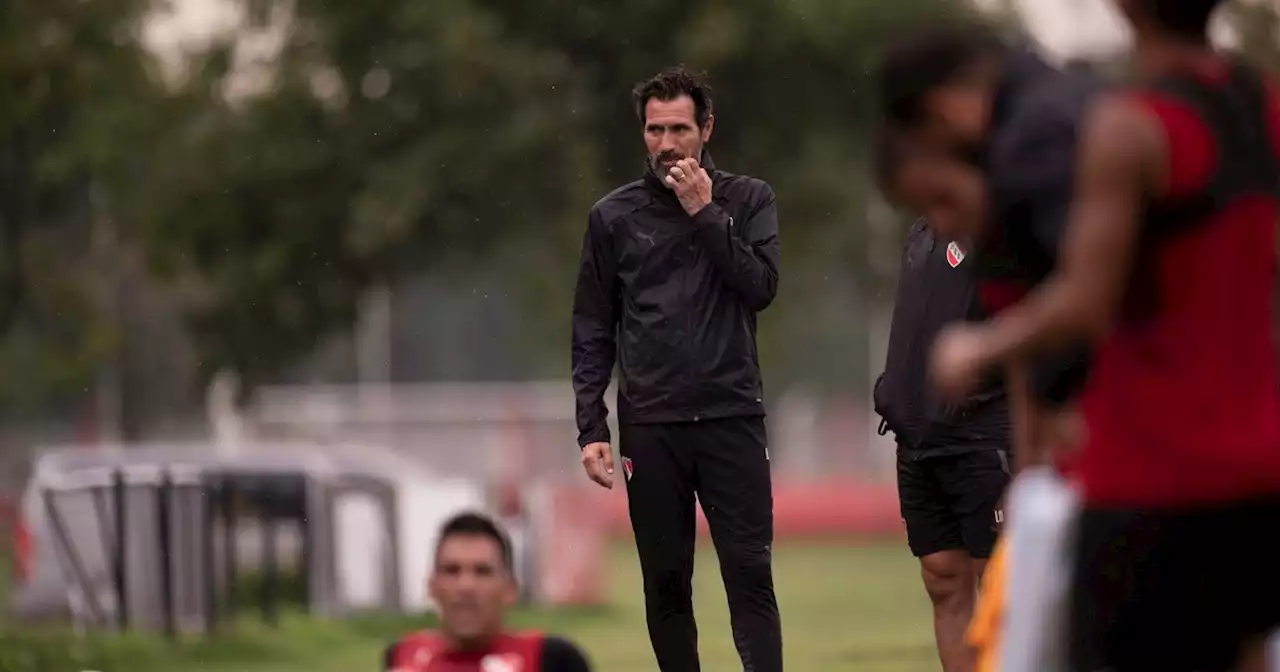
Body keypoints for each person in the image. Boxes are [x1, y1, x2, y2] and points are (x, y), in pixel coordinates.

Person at [923, 1, 1280, 670]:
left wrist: (979, 347)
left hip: (1149, 477)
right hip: (1259, 473)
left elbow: (1084, 302)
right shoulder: (1263, 108)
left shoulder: (1130, 125)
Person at [570, 65, 783, 671]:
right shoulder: (612, 218)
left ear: (707, 128)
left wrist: (704, 212)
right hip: (651, 425)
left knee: (749, 575)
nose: (666, 144)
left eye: (679, 129)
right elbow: (591, 327)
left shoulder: (749, 199)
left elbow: (761, 287)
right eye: (654, 130)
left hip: (732, 417)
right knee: (665, 583)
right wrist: (591, 425)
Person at [873, 130, 1011, 672]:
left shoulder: (999, 230)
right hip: (918, 440)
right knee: (941, 576)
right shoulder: (922, 231)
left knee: (997, 584)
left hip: (982, 437)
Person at [383, 512, 592, 671]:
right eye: (451, 571)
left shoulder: (550, 659)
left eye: (483, 572)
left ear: (511, 589)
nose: (466, 586)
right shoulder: (403, 656)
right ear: (431, 587)